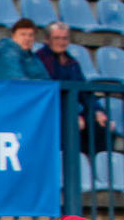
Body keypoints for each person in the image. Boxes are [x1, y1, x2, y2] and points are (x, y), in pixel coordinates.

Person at [36, 21, 109, 151]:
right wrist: (72, 113)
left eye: (64, 38)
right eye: (57, 38)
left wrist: (98, 111)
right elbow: (49, 94)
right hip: (53, 112)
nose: (61, 42)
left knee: (99, 124)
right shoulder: (41, 60)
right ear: (47, 40)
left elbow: (84, 91)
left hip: (73, 110)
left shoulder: (72, 62)